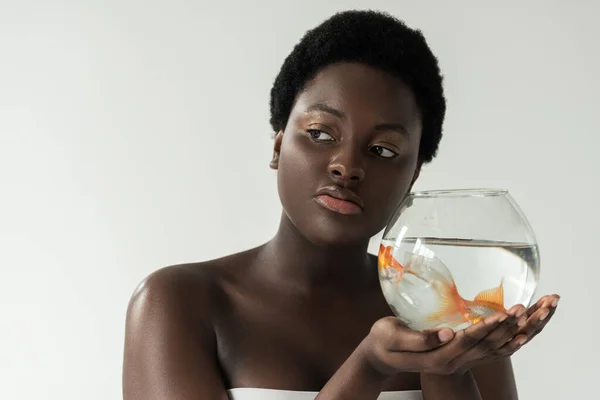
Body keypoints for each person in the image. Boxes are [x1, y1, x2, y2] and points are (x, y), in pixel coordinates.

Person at [122, 9, 559, 400]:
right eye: (320, 133)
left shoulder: (455, 319)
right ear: (278, 147)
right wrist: (370, 366)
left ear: (414, 177)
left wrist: (447, 369)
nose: (347, 166)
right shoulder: (178, 304)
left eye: (384, 150)